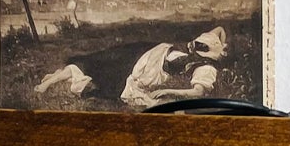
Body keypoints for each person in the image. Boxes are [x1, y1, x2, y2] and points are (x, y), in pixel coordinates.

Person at [36, 27, 228, 107]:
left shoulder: (206, 69)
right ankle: (57, 77)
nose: (192, 47)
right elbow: (220, 29)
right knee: (101, 58)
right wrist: (223, 45)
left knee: (105, 79)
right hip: (149, 50)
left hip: (148, 70)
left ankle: (56, 78)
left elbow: (197, 93)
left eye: (197, 50)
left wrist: (165, 91)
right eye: (195, 45)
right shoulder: (213, 43)